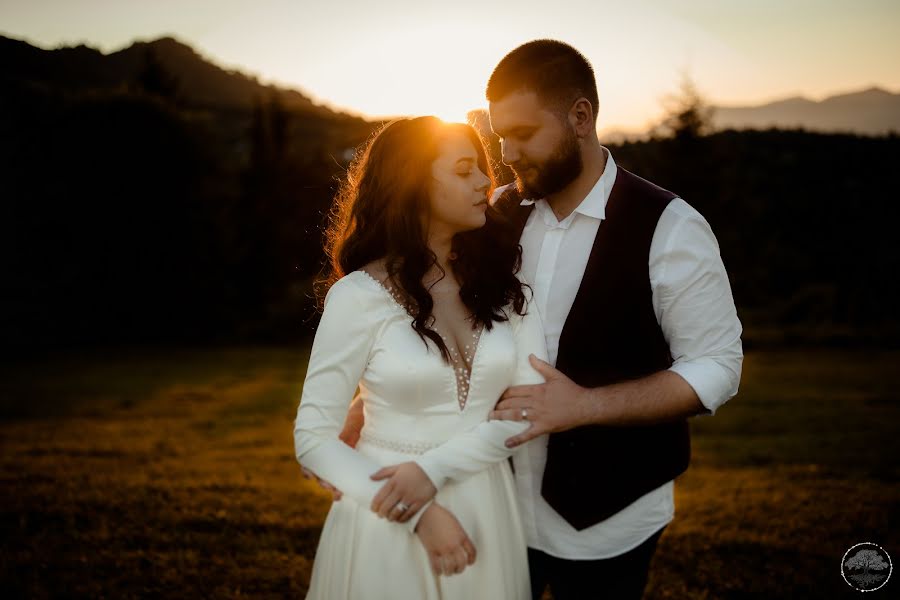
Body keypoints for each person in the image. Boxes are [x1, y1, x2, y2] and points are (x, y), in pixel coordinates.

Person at [482, 40, 744, 599]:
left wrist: (587, 406)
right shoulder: (496, 214)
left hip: (609, 523)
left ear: (581, 116)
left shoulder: (670, 226)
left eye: (523, 133)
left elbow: (718, 365)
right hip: (494, 508)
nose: (506, 152)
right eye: (500, 134)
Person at [293, 115, 547, 599]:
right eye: (464, 170)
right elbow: (313, 439)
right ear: (413, 182)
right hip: (385, 515)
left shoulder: (503, 284)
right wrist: (419, 514)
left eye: (481, 170)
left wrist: (434, 471)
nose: (484, 183)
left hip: (486, 502)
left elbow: (528, 410)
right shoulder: (357, 295)